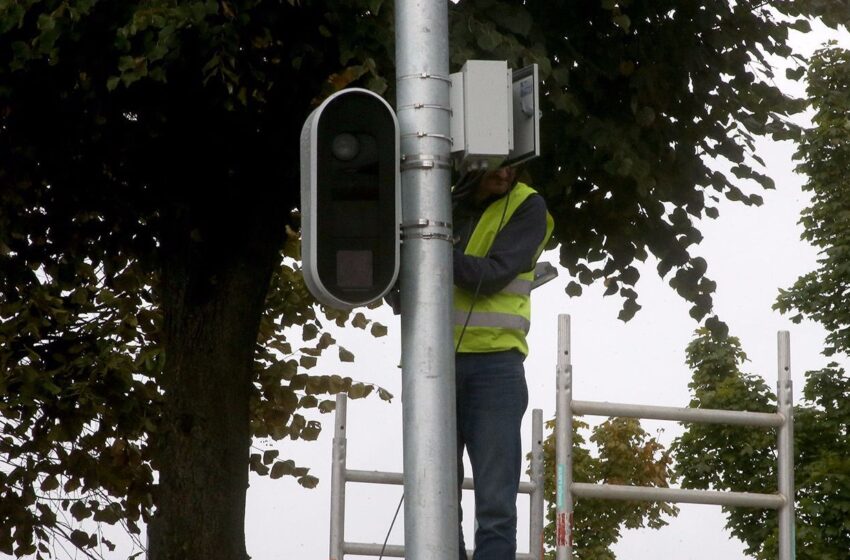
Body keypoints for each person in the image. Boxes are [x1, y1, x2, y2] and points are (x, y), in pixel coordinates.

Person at [452, 164, 553, 560]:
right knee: (435, 495)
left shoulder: (528, 206)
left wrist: (428, 247)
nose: (505, 170)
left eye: (513, 159)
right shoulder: (434, 197)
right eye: (495, 158)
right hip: (434, 364)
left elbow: (490, 276)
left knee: (495, 506)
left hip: (496, 365)